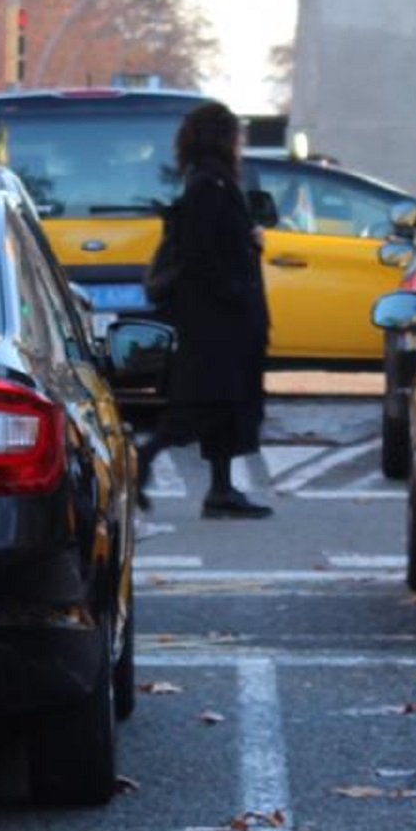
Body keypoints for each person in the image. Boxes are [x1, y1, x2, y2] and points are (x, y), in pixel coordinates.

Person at [136, 101, 273, 520]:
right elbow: (204, 254)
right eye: (237, 135)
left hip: (217, 317)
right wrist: (236, 284)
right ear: (223, 137)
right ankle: (145, 462)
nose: (242, 144)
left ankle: (220, 489)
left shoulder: (208, 182)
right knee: (202, 404)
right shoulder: (208, 187)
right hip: (217, 320)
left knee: (217, 404)